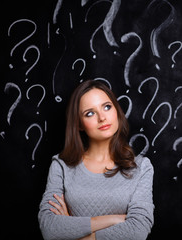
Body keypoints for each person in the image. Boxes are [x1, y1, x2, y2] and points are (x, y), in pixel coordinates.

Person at [38, 80, 154, 240]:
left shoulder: (141, 166)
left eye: (107, 107)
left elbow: (138, 230)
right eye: (90, 113)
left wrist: (74, 230)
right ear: (79, 124)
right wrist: (114, 219)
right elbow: (49, 229)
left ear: (116, 111)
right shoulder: (61, 165)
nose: (102, 117)